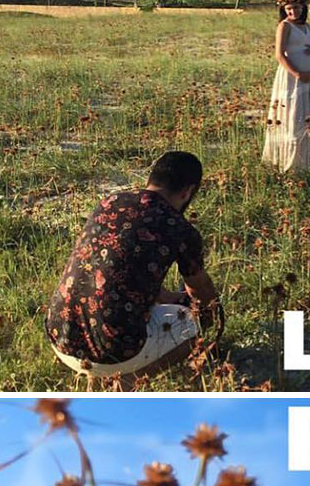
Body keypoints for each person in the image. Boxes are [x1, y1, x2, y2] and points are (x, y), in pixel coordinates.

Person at [46, 151, 221, 385]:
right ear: (188, 192)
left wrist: (168, 298)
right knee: (196, 325)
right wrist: (213, 319)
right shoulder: (180, 228)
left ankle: (94, 376)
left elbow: (120, 271)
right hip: (115, 352)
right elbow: (200, 291)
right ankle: (130, 379)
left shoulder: (110, 202)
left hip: (60, 338)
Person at [262, 0, 310, 172]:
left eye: (295, 7)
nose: (292, 12)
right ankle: (287, 163)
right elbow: (279, 55)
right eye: (288, 8)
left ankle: (300, 162)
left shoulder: (306, 26)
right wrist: (297, 74)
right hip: (292, 78)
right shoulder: (284, 26)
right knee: (291, 116)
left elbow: (302, 46)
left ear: (303, 7)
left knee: (303, 117)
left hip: (308, 79)